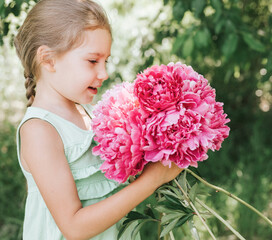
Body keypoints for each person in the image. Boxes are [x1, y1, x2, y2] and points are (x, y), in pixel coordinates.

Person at [14, 0, 182, 239]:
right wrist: (152, 179)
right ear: (48, 59)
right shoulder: (40, 130)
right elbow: (74, 227)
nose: (104, 73)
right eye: (93, 61)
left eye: (106, 61)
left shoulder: (87, 114)